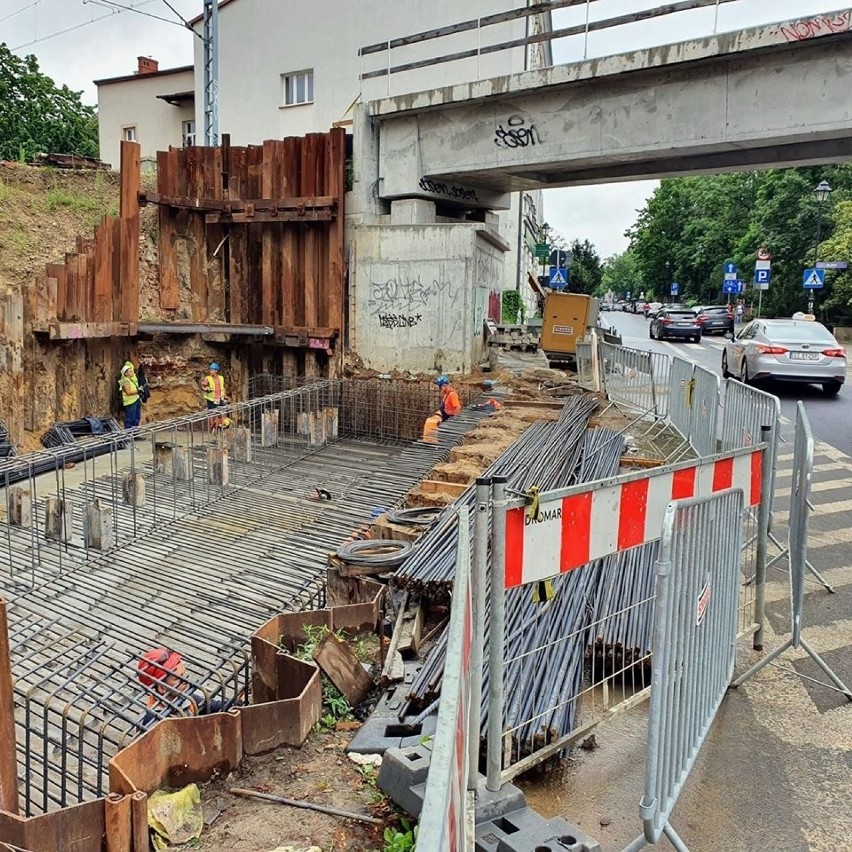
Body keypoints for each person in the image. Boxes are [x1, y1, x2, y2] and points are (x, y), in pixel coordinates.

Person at [136, 647, 226, 731]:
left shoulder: (186, 698)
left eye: (184, 674)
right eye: (178, 678)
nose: (186, 681)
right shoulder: (152, 722)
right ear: (162, 688)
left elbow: (216, 706)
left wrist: (237, 702)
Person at [119, 361, 141, 429]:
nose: (132, 372)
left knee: (136, 418)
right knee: (130, 419)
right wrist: (138, 391)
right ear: (126, 373)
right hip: (130, 402)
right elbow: (128, 392)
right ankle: (128, 435)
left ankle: (135, 434)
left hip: (136, 400)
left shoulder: (131, 380)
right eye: (130, 371)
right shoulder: (125, 381)